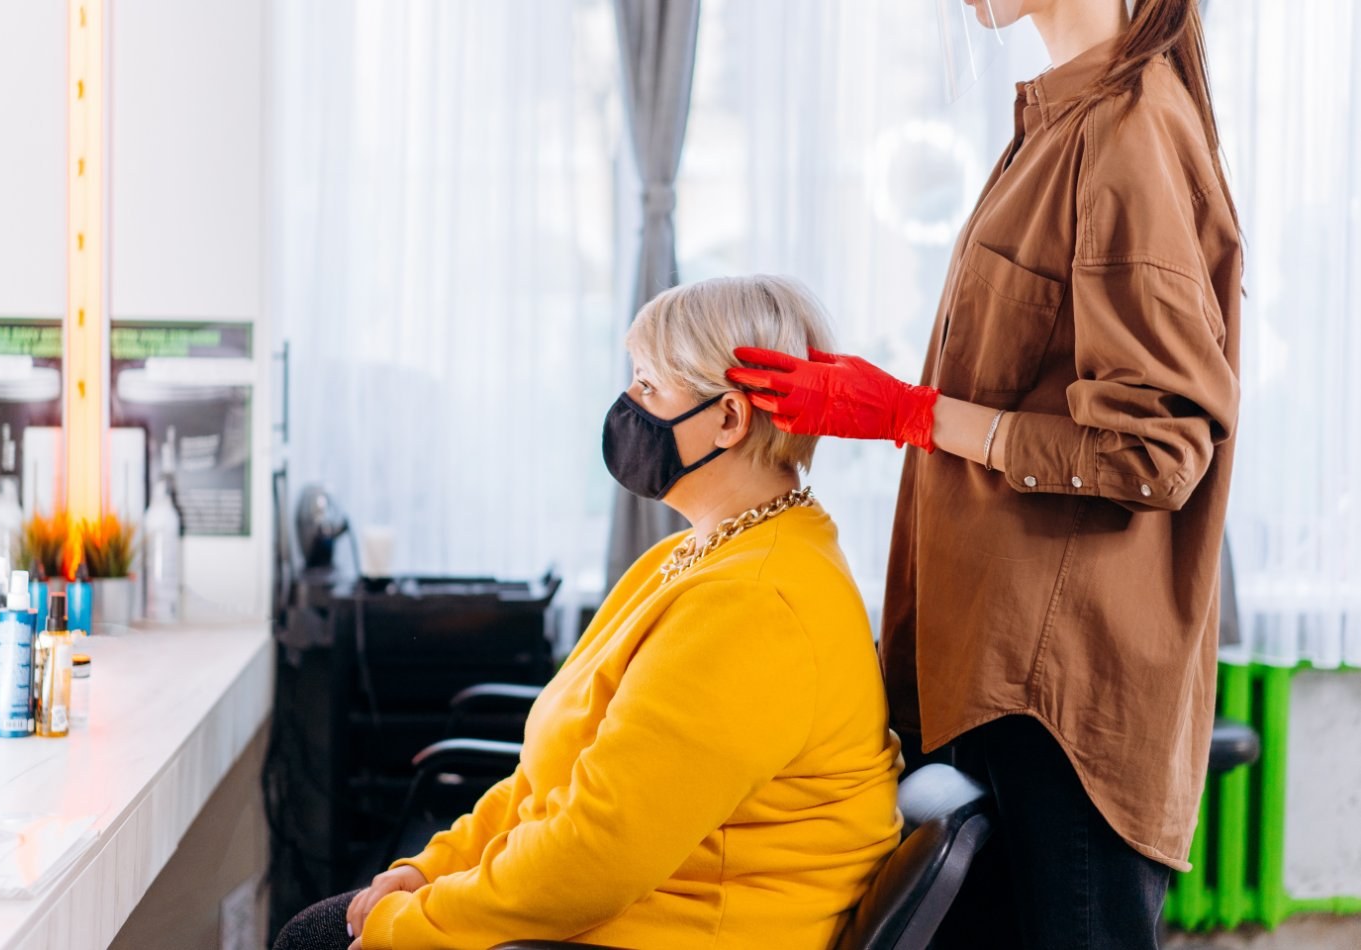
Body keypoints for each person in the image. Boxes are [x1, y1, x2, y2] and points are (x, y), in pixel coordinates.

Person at [728, 1, 1241, 947]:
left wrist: (908, 414)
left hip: (1059, 700)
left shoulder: (1128, 133)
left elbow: (1153, 451)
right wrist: (896, 409)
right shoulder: (1059, 123)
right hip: (996, 675)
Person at [273, 275, 903, 950]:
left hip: (674, 930)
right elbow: (548, 782)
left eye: (649, 387)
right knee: (316, 930)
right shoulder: (694, 555)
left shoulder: (753, 603)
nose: (627, 406)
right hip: (619, 913)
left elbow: (596, 855)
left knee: (311, 938)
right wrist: (430, 869)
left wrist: (416, 924)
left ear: (728, 418)